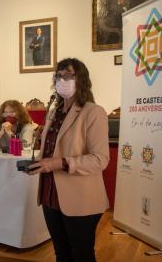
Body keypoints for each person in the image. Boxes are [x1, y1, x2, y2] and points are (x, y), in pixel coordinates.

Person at [27, 58, 109, 262]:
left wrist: (59, 163)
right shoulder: (53, 112)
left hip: (80, 196)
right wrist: (38, 162)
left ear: (81, 80)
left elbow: (100, 159)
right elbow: (50, 149)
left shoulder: (93, 112)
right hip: (50, 192)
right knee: (61, 253)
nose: (62, 80)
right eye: (59, 76)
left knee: (81, 255)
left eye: (68, 76)